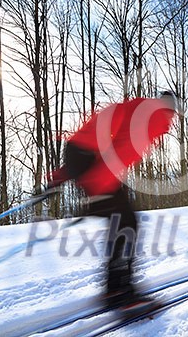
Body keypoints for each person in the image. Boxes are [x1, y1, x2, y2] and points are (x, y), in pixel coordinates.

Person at [47, 91, 177, 309]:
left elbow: (95, 136)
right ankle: (122, 293)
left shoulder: (136, 109)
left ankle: (115, 289)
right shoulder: (152, 119)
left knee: (120, 223)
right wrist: (97, 189)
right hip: (92, 162)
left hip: (82, 154)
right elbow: (122, 152)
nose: (171, 121)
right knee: (127, 225)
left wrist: (66, 172)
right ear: (169, 110)